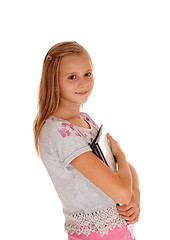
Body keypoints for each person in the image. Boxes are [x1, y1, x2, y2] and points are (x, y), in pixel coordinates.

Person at [33, 41, 140, 240]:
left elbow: (122, 173)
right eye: (72, 77)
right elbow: (121, 191)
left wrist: (135, 197)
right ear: (53, 81)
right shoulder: (60, 132)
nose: (83, 83)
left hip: (118, 230)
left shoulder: (86, 121)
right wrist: (121, 155)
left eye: (87, 74)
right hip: (96, 235)